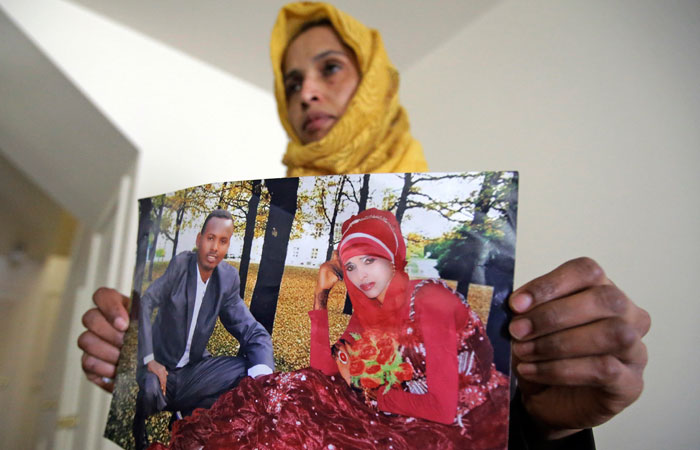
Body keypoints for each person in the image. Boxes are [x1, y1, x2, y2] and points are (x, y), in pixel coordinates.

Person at [78, 2, 650, 449]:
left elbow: (449, 410)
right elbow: (330, 373)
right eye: (291, 81)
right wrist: (133, 373)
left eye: (329, 67)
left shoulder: (437, 292)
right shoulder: (338, 282)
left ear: (374, 80)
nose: (306, 91)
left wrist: (546, 429)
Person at [131, 209, 274, 449]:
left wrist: (263, 379)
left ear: (228, 246)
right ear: (199, 240)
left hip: (193, 370)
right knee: (149, 391)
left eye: (223, 241)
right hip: (161, 368)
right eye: (210, 238)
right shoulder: (180, 265)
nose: (214, 247)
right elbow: (146, 302)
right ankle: (138, 425)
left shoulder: (226, 278)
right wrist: (149, 359)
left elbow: (252, 331)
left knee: (246, 369)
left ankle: (191, 416)